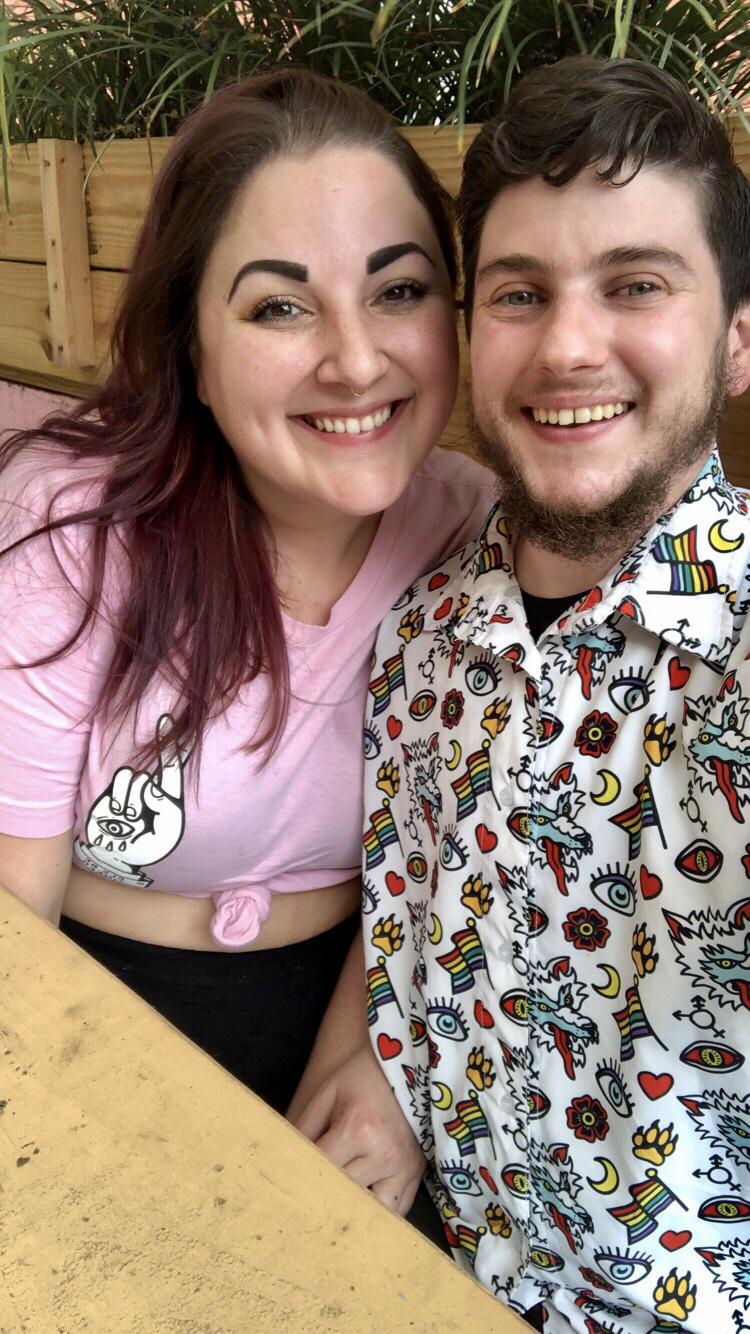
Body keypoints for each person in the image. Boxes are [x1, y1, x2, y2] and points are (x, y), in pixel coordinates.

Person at [0, 69, 496, 1221]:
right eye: (280, 307)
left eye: (399, 290)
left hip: (365, 1004)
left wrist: (382, 1055)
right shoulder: (74, 536)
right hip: (91, 999)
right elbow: (14, 925)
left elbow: (455, 849)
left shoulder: (475, 534)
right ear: (190, 344)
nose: (355, 360)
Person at [363, 55, 750, 1331]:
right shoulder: (419, 638)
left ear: (738, 339)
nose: (569, 346)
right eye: (521, 293)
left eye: (636, 283)